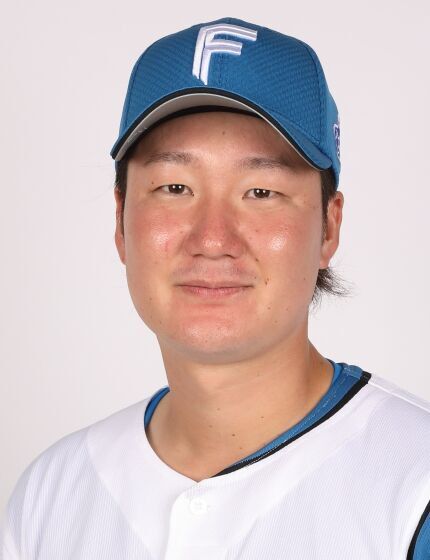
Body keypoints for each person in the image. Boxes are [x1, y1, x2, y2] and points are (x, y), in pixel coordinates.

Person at [1, 16, 430, 560]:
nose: (212, 239)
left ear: (329, 227)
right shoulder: (51, 494)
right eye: (174, 187)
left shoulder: (414, 488)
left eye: (261, 192)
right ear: (121, 221)